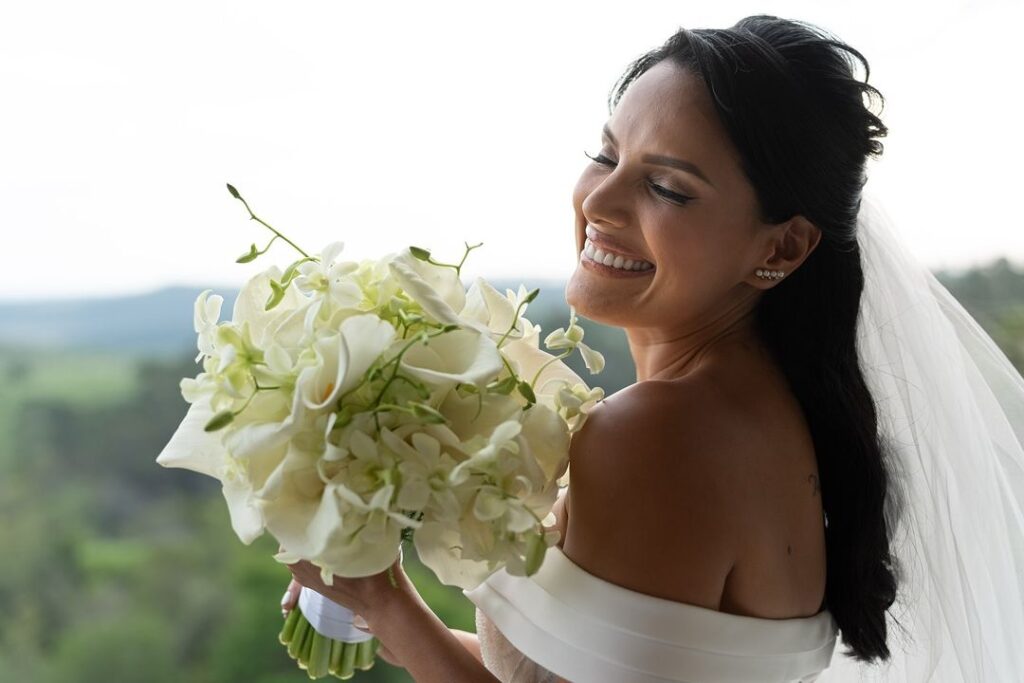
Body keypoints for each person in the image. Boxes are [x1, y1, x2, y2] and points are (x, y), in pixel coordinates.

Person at [281, 14, 1024, 682]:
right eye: (606, 156)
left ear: (784, 245)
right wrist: (380, 613)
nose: (599, 203)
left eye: (667, 186)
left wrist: (385, 599)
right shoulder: (754, 410)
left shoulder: (661, 434)